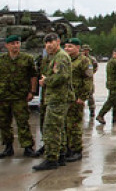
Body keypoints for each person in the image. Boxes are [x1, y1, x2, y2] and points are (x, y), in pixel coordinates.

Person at [32, 33, 74, 171]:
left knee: (50, 128)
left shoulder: (60, 57)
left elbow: (62, 76)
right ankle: (60, 155)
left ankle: (51, 159)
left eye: (51, 41)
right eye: (46, 42)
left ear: (58, 42)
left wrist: (46, 81)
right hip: (57, 97)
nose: (48, 45)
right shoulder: (55, 57)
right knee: (59, 128)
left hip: (58, 98)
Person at [0, 35, 40, 158]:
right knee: (4, 123)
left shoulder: (27, 59)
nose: (15, 45)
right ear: (7, 45)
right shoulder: (2, 60)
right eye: (12, 43)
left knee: (22, 122)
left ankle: (28, 147)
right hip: (3, 96)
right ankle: (8, 146)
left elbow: (33, 75)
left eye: (17, 43)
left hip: (20, 96)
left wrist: (32, 91)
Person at [63, 37, 92, 162]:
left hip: (76, 98)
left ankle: (76, 150)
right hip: (65, 97)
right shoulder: (64, 59)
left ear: (78, 48)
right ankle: (67, 148)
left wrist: (83, 96)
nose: (67, 49)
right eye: (66, 46)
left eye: (70, 47)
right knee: (65, 124)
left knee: (74, 124)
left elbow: (88, 79)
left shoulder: (84, 61)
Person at [82, 44, 99, 119]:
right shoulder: (79, 58)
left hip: (89, 80)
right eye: (85, 50)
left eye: (87, 50)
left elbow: (95, 67)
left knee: (90, 96)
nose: (86, 51)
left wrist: (90, 74)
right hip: (80, 80)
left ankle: (92, 110)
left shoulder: (91, 59)